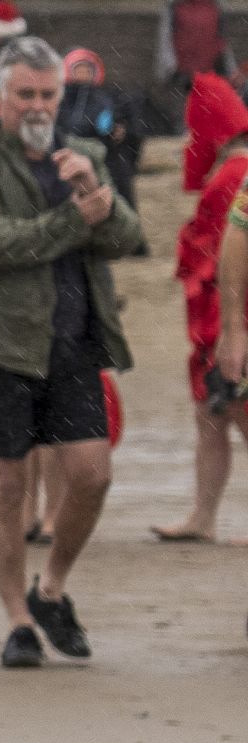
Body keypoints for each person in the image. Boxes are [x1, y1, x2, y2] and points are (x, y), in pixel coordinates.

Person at [0, 35, 143, 669]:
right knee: (5, 489)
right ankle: (18, 621)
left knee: (93, 474)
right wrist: (73, 221)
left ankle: (50, 589)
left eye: (47, 94)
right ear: (1, 95)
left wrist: (97, 198)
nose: (36, 105)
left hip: (74, 341)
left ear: (61, 95)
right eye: (24, 94)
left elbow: (127, 237)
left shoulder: (83, 154)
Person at [165, 73, 248, 543]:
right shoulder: (233, 173)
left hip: (227, 318)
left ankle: (203, 516)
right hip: (217, 318)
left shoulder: (233, 176)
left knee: (236, 410)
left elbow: (227, 261)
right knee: (210, 417)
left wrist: (227, 332)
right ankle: (202, 516)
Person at [57, 49, 139, 207]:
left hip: (103, 159)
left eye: (87, 70)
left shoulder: (106, 98)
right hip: (69, 159)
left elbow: (114, 125)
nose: (83, 75)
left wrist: (117, 133)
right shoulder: (60, 99)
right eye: (78, 69)